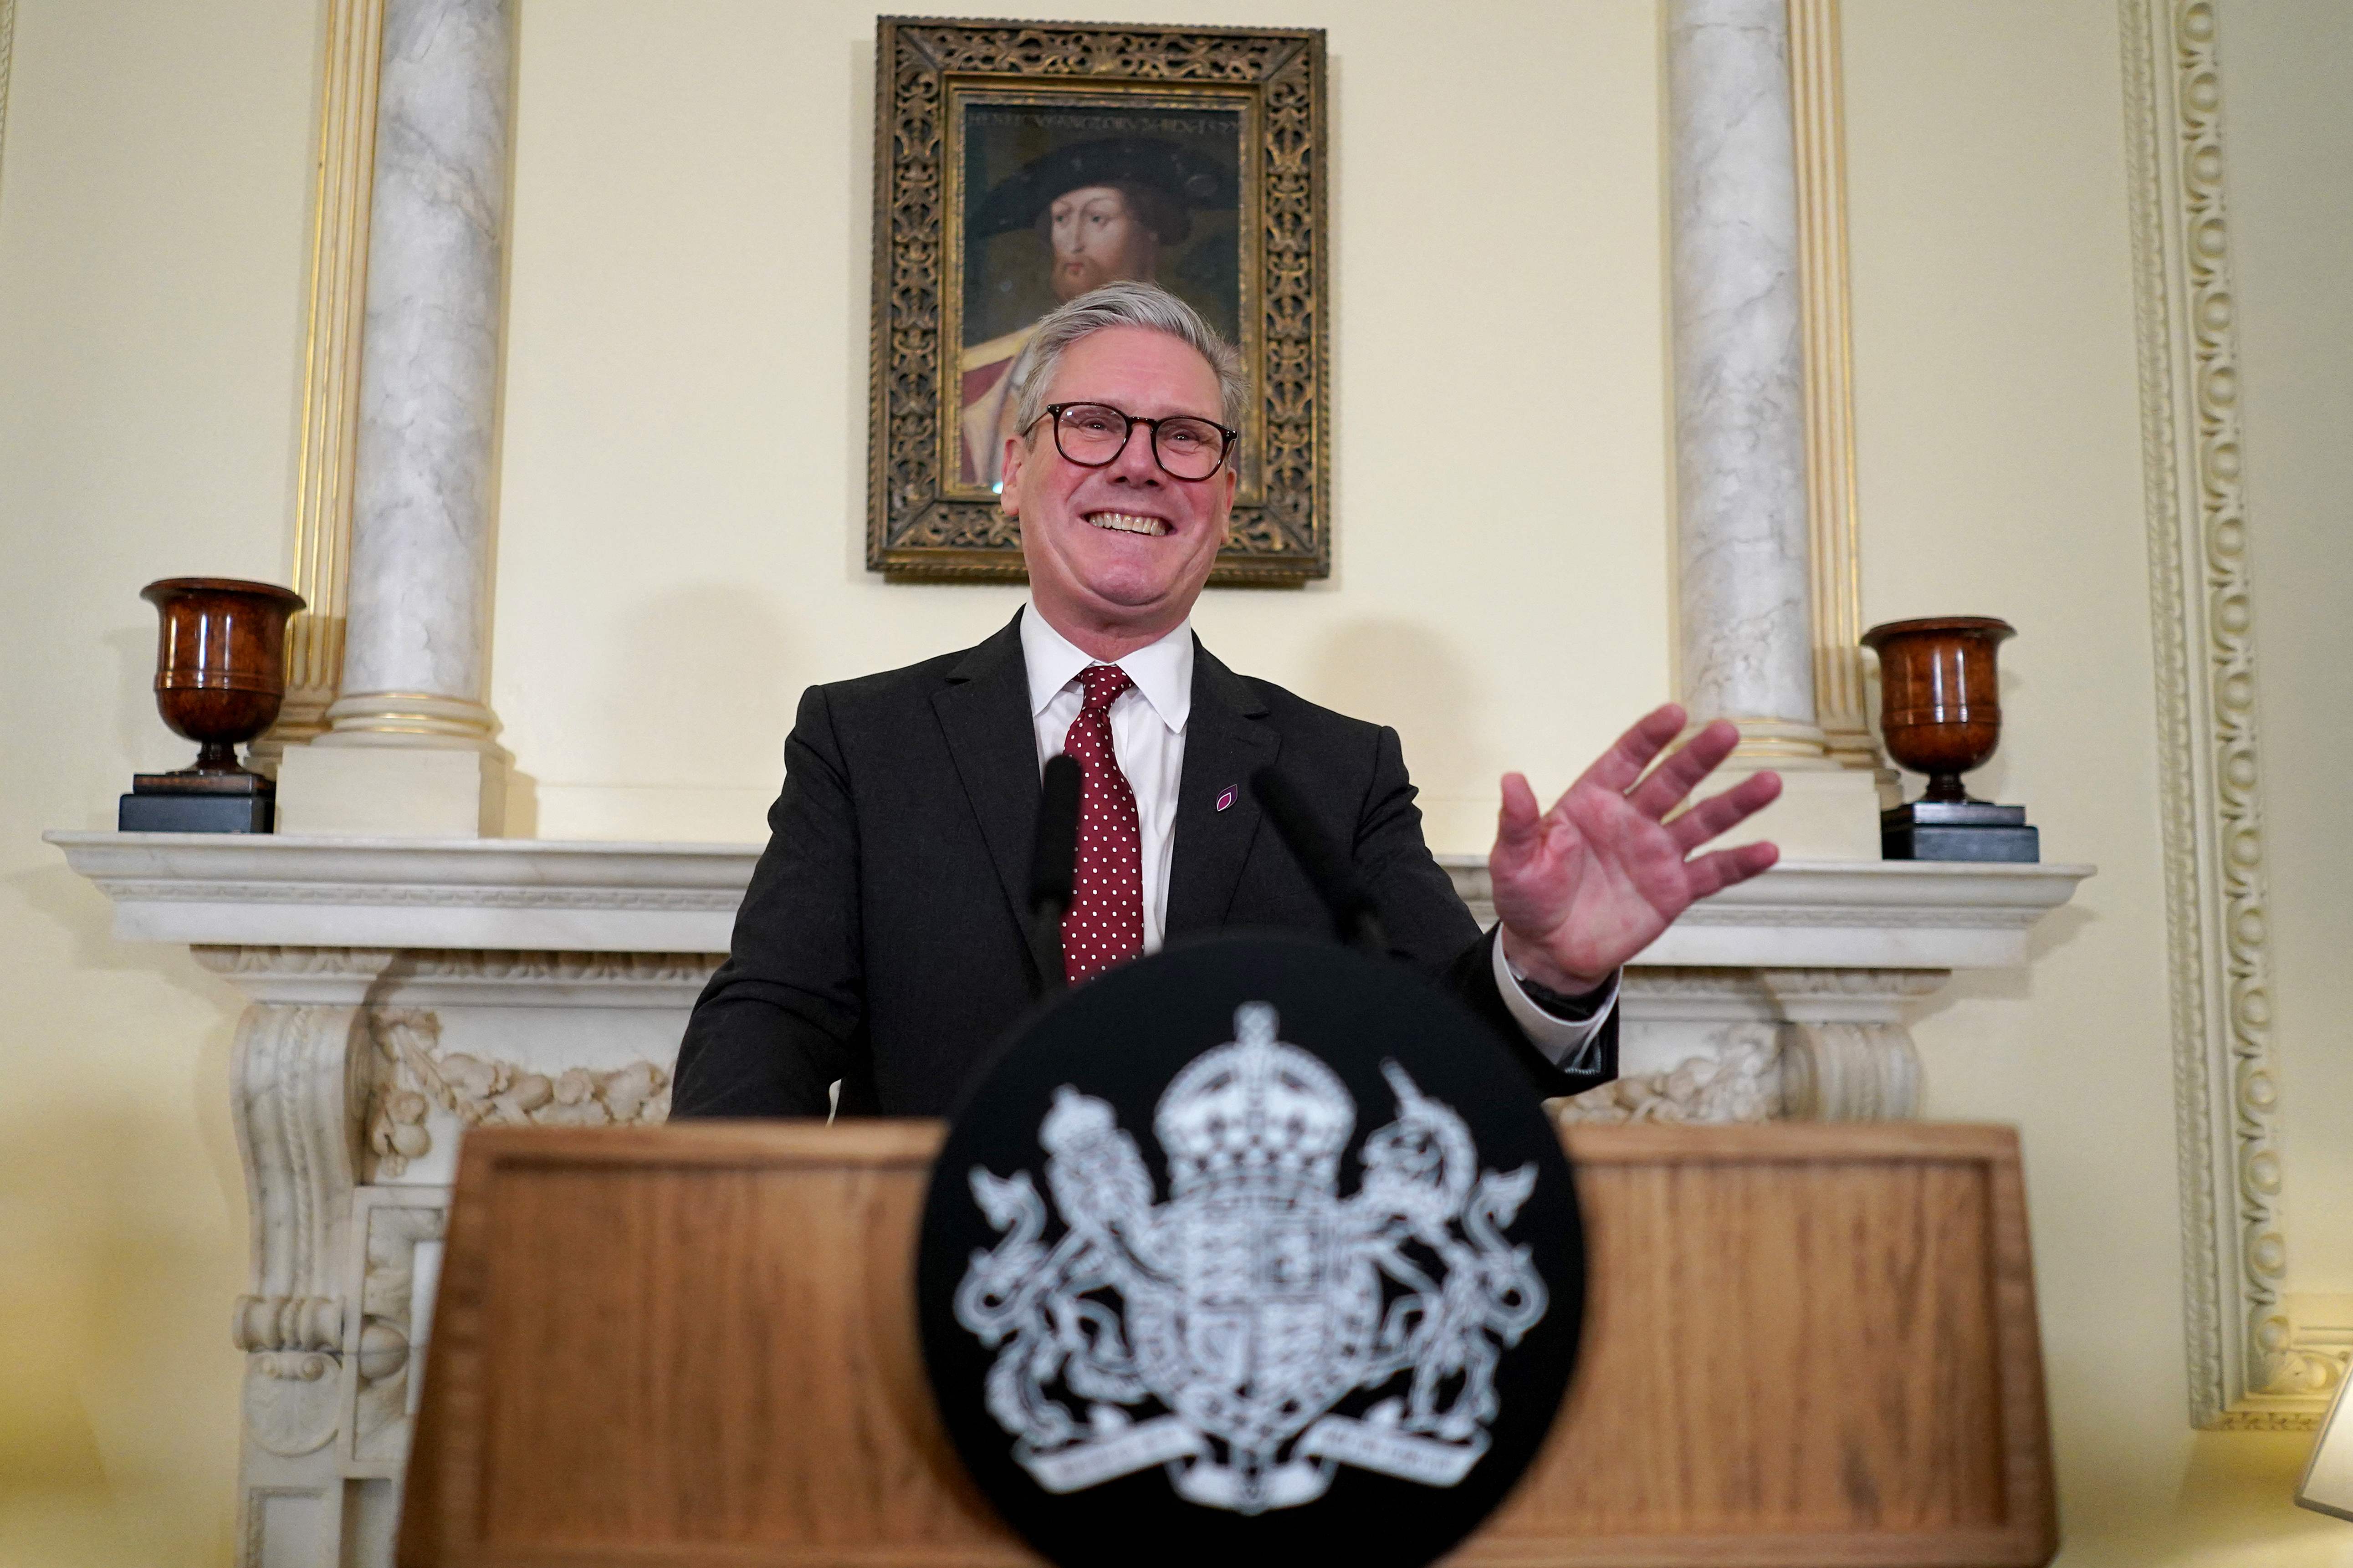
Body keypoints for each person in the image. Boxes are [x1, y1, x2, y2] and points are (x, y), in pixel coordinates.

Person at [673, 281, 1782, 1119]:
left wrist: (1549, 964)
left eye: (1185, 438)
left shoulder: (1335, 772)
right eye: (1093, 422)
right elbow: (770, 1022)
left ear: (1227, 495)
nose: (1141, 464)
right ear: (1011, 469)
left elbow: (1450, 1052)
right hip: (939, 1300)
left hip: (1253, 1332)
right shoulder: (866, 742)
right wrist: (722, 1246)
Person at [959, 138, 1236, 490]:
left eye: (1097, 218)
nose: (1073, 241)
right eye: (1061, 219)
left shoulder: (1216, 379)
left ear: (1151, 227)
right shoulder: (982, 378)